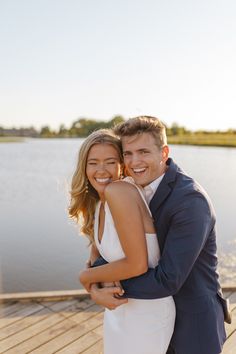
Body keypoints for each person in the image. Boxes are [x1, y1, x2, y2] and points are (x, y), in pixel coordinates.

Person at [89, 117, 227, 354]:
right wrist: (96, 284)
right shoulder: (127, 189)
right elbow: (115, 254)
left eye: (143, 152)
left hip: (191, 328)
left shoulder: (190, 202)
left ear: (164, 152)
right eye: (128, 153)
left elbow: (167, 279)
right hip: (144, 320)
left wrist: (100, 281)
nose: (134, 162)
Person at [69, 129, 175, 354]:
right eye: (93, 162)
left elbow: (137, 264)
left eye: (110, 162)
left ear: (122, 165)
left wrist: (85, 278)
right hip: (120, 308)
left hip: (147, 313)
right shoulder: (100, 201)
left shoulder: (120, 191)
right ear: (84, 167)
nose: (101, 170)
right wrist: (96, 288)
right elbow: (97, 257)